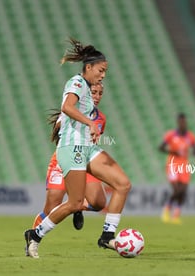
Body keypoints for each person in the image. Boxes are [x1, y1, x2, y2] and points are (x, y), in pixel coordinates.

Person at [24, 38, 131, 259]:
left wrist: (93, 128)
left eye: (106, 72)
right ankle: (35, 235)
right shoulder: (76, 83)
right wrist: (90, 123)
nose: (103, 75)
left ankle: (107, 236)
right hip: (71, 148)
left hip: (88, 148)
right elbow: (67, 107)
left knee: (122, 184)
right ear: (89, 67)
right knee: (73, 203)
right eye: (101, 70)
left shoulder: (90, 95)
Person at [31, 83, 107, 234]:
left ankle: (75, 206)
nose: (97, 97)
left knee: (99, 202)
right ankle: (32, 239)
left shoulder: (100, 119)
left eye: (100, 93)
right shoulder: (70, 112)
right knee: (51, 208)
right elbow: (58, 131)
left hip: (84, 159)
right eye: (93, 93)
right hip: (64, 159)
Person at [159, 113, 195, 224]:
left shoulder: (190, 136)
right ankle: (166, 209)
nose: (182, 123)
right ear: (178, 122)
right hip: (172, 164)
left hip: (184, 165)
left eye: (184, 122)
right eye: (181, 122)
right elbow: (161, 147)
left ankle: (176, 215)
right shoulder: (171, 135)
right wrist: (172, 151)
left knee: (183, 190)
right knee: (177, 190)